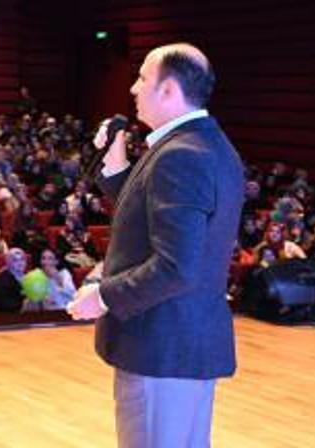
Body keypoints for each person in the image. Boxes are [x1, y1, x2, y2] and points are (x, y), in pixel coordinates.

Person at [66, 43, 243, 448]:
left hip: (161, 347)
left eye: (143, 77)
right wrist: (114, 162)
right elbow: (151, 214)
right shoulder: (202, 144)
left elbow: (177, 266)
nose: (133, 88)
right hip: (181, 343)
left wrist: (105, 297)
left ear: (168, 90)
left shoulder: (181, 155)